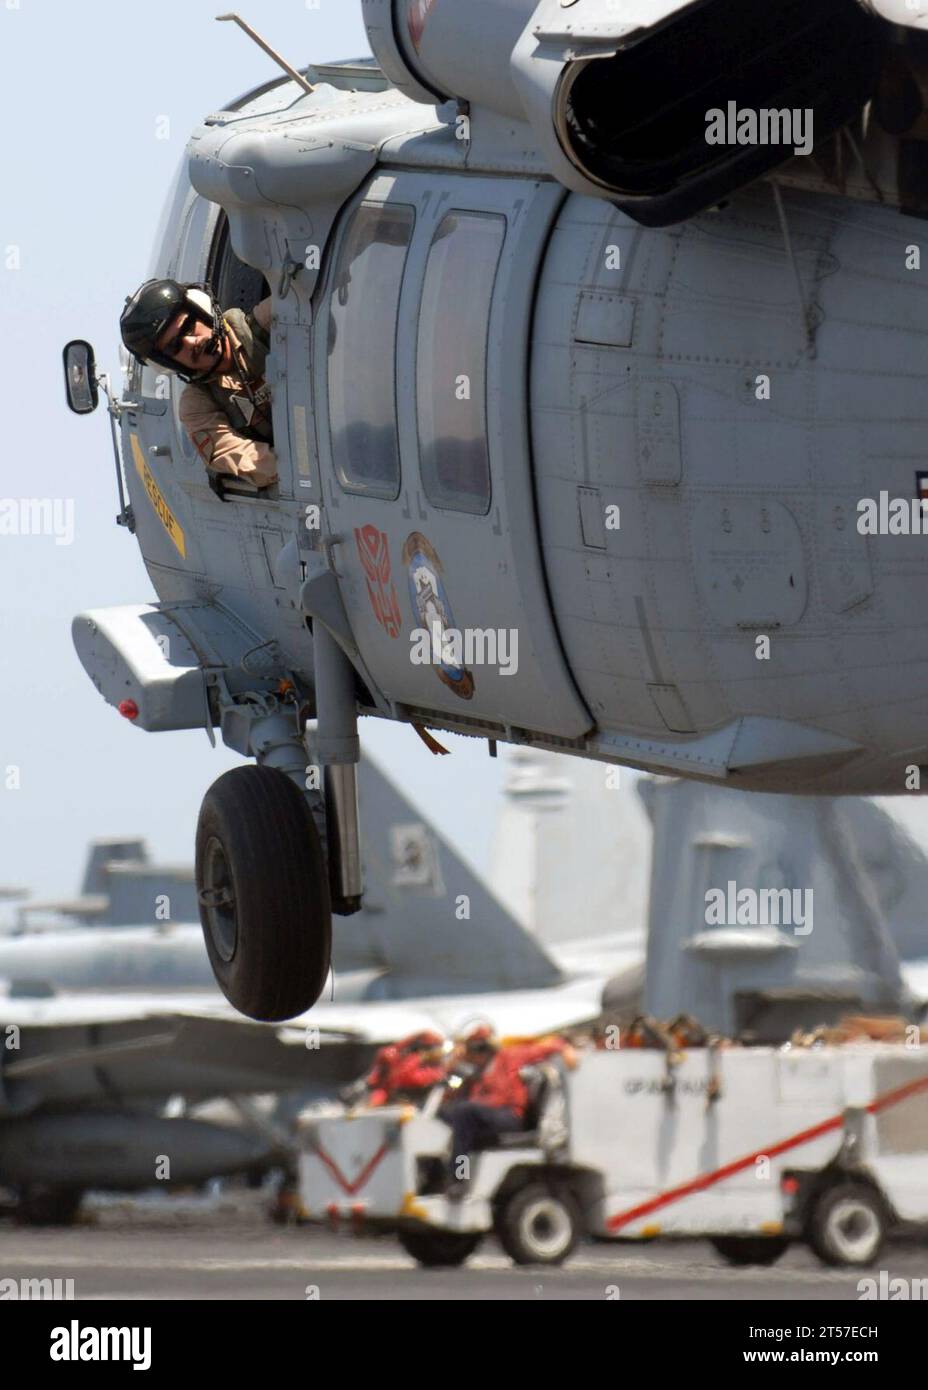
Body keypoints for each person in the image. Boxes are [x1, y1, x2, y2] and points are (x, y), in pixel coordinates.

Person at [119, 278, 277, 493]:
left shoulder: (274, 320)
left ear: (203, 311)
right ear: (169, 363)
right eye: (175, 346)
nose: (192, 343)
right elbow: (241, 457)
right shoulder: (197, 406)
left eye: (188, 326)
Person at [440, 1028, 579, 1195]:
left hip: (510, 1116)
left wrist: (565, 1049)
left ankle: (459, 1178)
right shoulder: (478, 1073)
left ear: (481, 1049)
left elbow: (546, 1048)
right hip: (489, 1116)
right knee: (448, 1113)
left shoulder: (508, 1057)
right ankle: (443, 1173)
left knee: (463, 1111)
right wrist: (453, 1064)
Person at [363, 1031, 449, 1108]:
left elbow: (406, 1077)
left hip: (408, 1104)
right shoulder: (398, 1055)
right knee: (377, 1097)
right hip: (383, 1095)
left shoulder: (435, 1071)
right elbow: (387, 1054)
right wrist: (418, 1036)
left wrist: (420, 1057)